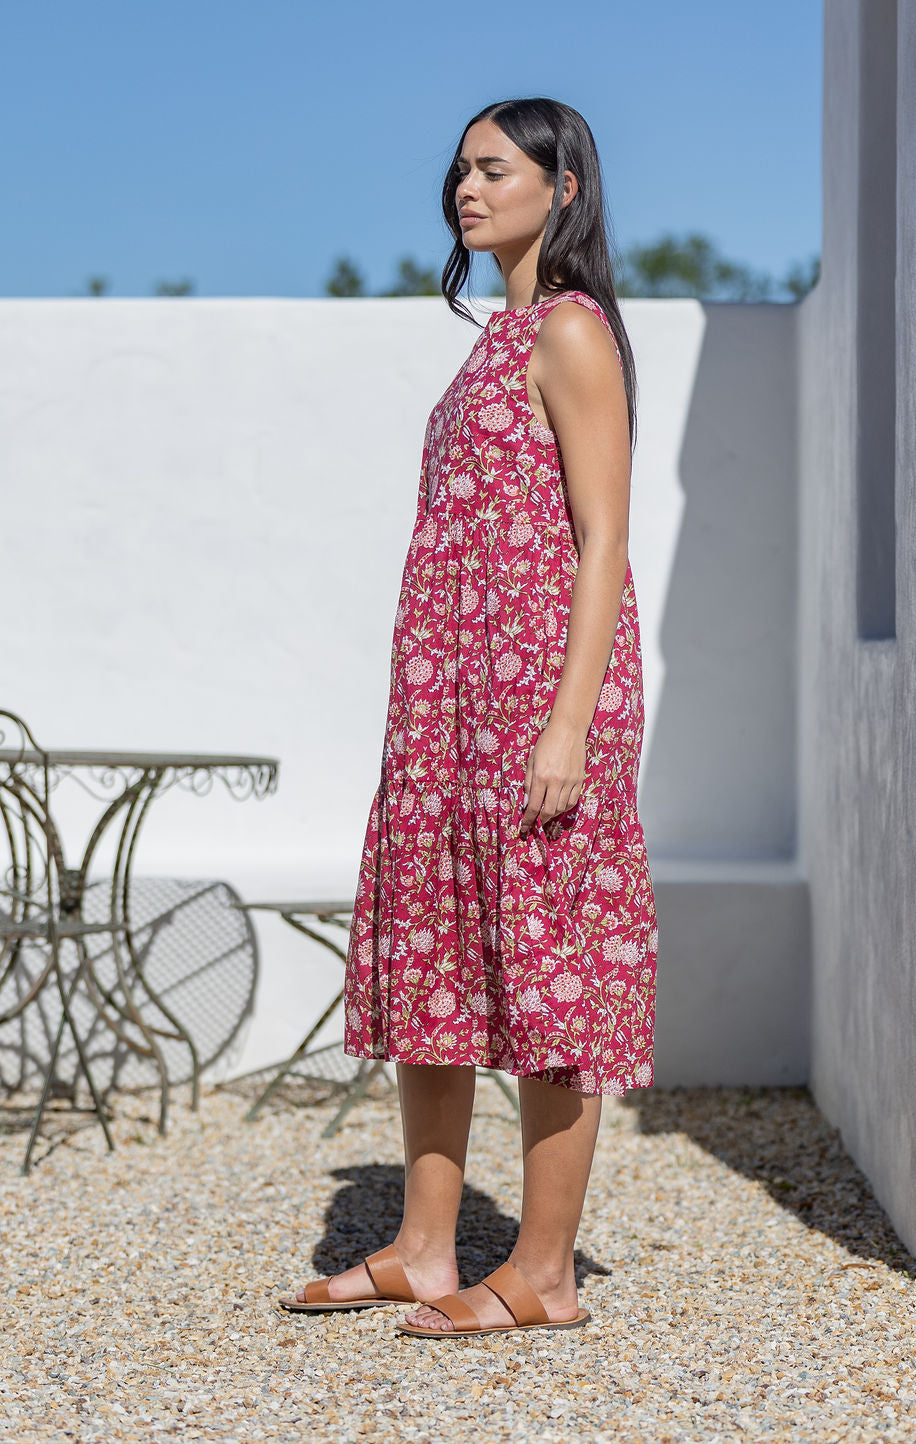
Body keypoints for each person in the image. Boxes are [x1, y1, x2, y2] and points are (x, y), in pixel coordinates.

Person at [282, 96, 658, 1338]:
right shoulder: (491, 341)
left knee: (551, 967)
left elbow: (603, 536)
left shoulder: (569, 331)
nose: (465, 187)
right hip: (450, 701)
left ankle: (544, 1275)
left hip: (541, 695)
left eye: (493, 168)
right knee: (437, 958)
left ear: (562, 187)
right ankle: (427, 1248)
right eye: (458, 170)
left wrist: (567, 724)